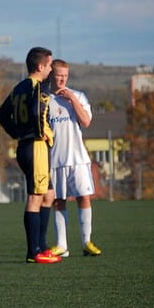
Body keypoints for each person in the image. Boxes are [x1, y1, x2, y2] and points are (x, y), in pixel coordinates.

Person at [0, 47, 62, 265]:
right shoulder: (38, 87)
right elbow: (35, 112)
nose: (52, 69)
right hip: (35, 147)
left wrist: (17, 132)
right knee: (35, 197)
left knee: (48, 195)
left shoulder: (19, 88)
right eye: (50, 65)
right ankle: (33, 251)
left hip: (27, 146)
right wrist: (36, 130)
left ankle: (42, 246)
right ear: (41, 66)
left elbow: (2, 114)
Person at [47, 59, 102, 257]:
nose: (62, 79)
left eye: (65, 76)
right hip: (55, 160)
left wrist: (72, 98)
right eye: (58, 75)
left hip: (78, 158)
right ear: (51, 75)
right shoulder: (45, 99)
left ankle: (86, 241)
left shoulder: (78, 96)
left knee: (83, 197)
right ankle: (62, 245)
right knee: (58, 201)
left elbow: (86, 121)